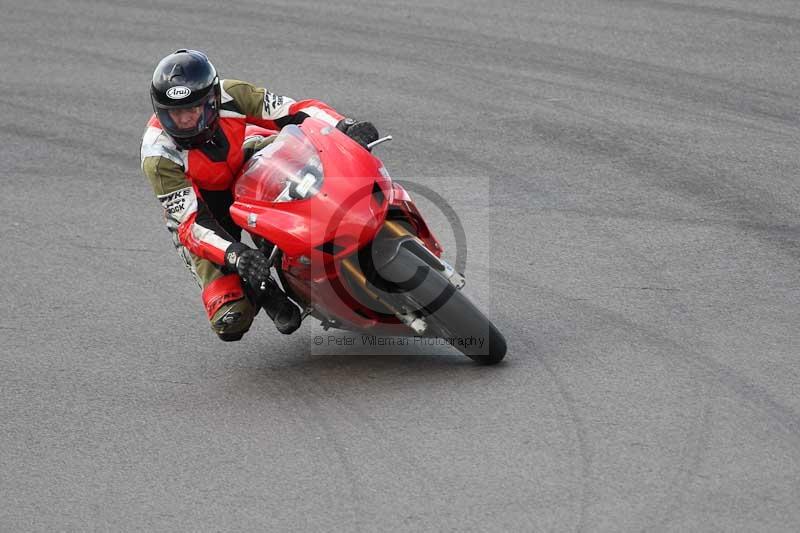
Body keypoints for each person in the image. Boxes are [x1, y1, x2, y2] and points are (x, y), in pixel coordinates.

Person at [140, 49, 379, 341]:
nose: (185, 121)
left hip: (248, 162)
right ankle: (266, 294)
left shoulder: (232, 94)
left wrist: (344, 126)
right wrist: (235, 255)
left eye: (192, 110)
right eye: (175, 114)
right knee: (230, 319)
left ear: (212, 101)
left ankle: (343, 224)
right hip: (204, 210)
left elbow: (295, 111)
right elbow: (191, 223)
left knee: (308, 157)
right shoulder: (158, 155)